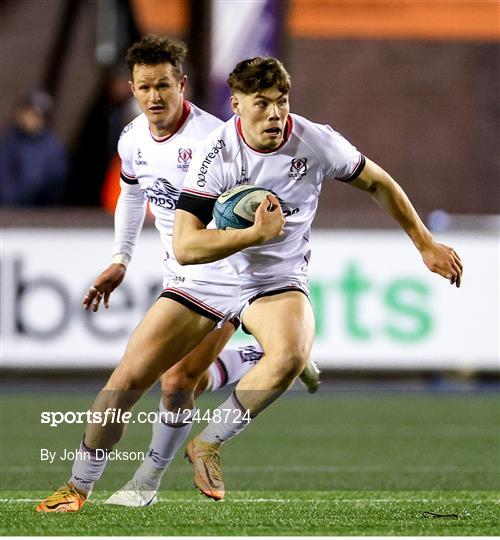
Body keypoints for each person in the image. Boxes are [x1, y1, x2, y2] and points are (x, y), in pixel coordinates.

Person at [35, 39, 317, 513]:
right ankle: (77, 488)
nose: (154, 97)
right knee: (125, 383)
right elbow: (130, 192)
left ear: (181, 84)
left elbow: (257, 205)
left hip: (234, 276)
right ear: (132, 89)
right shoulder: (132, 139)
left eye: (164, 84)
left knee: (177, 381)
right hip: (185, 278)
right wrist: (121, 259)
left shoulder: (217, 139)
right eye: (144, 87)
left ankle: (145, 483)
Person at [168, 56, 463, 501]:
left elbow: (379, 182)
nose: (274, 114)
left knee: (286, 354)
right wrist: (252, 233)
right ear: (236, 105)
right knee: (178, 381)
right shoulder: (216, 154)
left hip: (277, 278)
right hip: (217, 274)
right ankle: (254, 355)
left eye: (282, 102)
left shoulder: (315, 142)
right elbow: (186, 247)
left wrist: (424, 243)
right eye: (261, 103)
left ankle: (208, 441)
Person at [0, 91, 67, 206]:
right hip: (11, 208)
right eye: (30, 113)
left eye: (38, 116)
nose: (32, 120)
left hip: (40, 210)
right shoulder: (10, 140)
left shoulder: (51, 145)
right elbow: (4, 176)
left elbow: (57, 178)